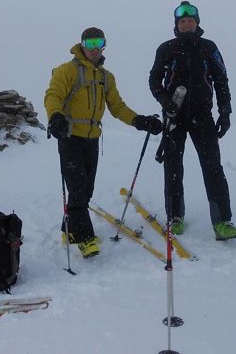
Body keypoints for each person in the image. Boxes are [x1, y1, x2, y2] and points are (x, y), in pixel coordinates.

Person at [45, 27, 163, 258]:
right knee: (78, 188)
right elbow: (53, 96)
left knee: (85, 190)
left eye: (99, 43)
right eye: (90, 44)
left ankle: (68, 229)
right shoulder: (66, 70)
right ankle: (85, 238)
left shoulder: (106, 77)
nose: (95, 49)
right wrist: (55, 116)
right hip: (69, 137)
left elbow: (117, 107)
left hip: (92, 139)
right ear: (82, 45)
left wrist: (139, 121)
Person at [149, 1, 236, 241]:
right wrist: (165, 101)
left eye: (190, 20)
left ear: (197, 23)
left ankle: (222, 221)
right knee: (173, 167)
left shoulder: (209, 48)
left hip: (202, 115)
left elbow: (221, 80)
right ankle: (175, 216)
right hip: (174, 115)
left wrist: (225, 111)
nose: (186, 23)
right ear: (177, 25)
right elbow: (154, 80)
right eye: (182, 21)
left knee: (213, 167)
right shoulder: (166, 48)